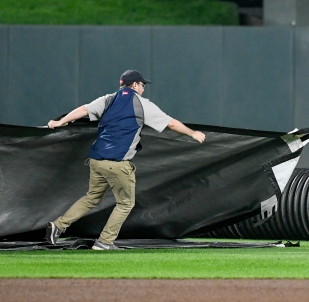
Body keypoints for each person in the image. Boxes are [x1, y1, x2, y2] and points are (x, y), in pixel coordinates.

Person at [45, 69, 206, 250]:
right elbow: (171, 124)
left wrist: (60, 121)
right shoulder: (142, 104)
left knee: (91, 198)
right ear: (135, 85)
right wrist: (192, 133)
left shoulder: (108, 99)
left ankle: (58, 226)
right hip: (117, 163)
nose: (143, 88)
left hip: (97, 160)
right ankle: (104, 242)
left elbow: (83, 110)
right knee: (126, 203)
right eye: (142, 85)